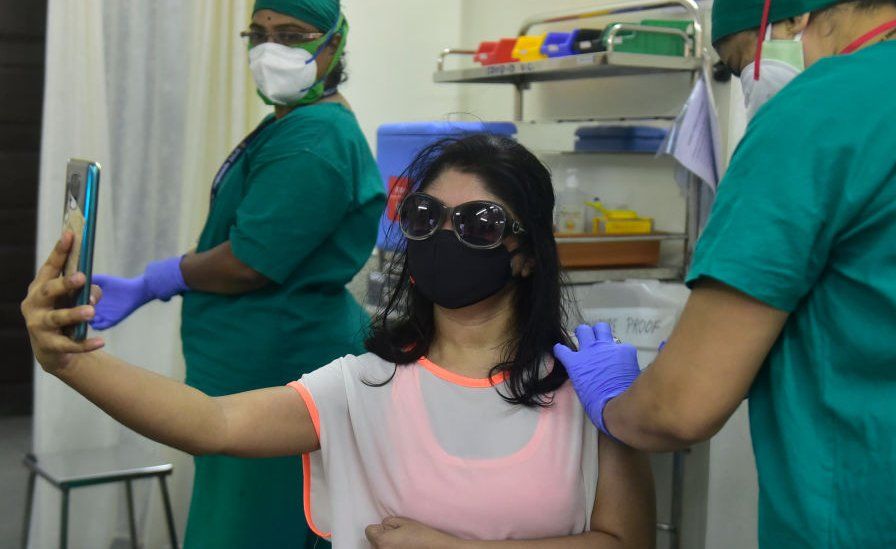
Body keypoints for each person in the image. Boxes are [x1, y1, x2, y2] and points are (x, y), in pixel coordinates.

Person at [22, 135, 656, 549]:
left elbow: (625, 543)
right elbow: (211, 423)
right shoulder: (366, 387)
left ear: (526, 252)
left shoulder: (582, 387)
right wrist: (68, 360)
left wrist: (622, 422)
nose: (443, 235)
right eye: (425, 217)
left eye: (479, 222)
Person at [556, 0, 896, 547]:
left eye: (734, 65)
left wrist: (614, 405)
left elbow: (682, 408)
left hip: (876, 521)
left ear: (789, 20)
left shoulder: (823, 109)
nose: (750, 86)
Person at [86, 0, 386, 546]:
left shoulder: (315, 138)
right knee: (235, 512)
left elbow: (251, 261)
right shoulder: (295, 124)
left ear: (334, 45)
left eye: (293, 34)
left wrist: (161, 279)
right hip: (254, 358)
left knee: (255, 524)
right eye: (260, 33)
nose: (271, 48)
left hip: (279, 360)